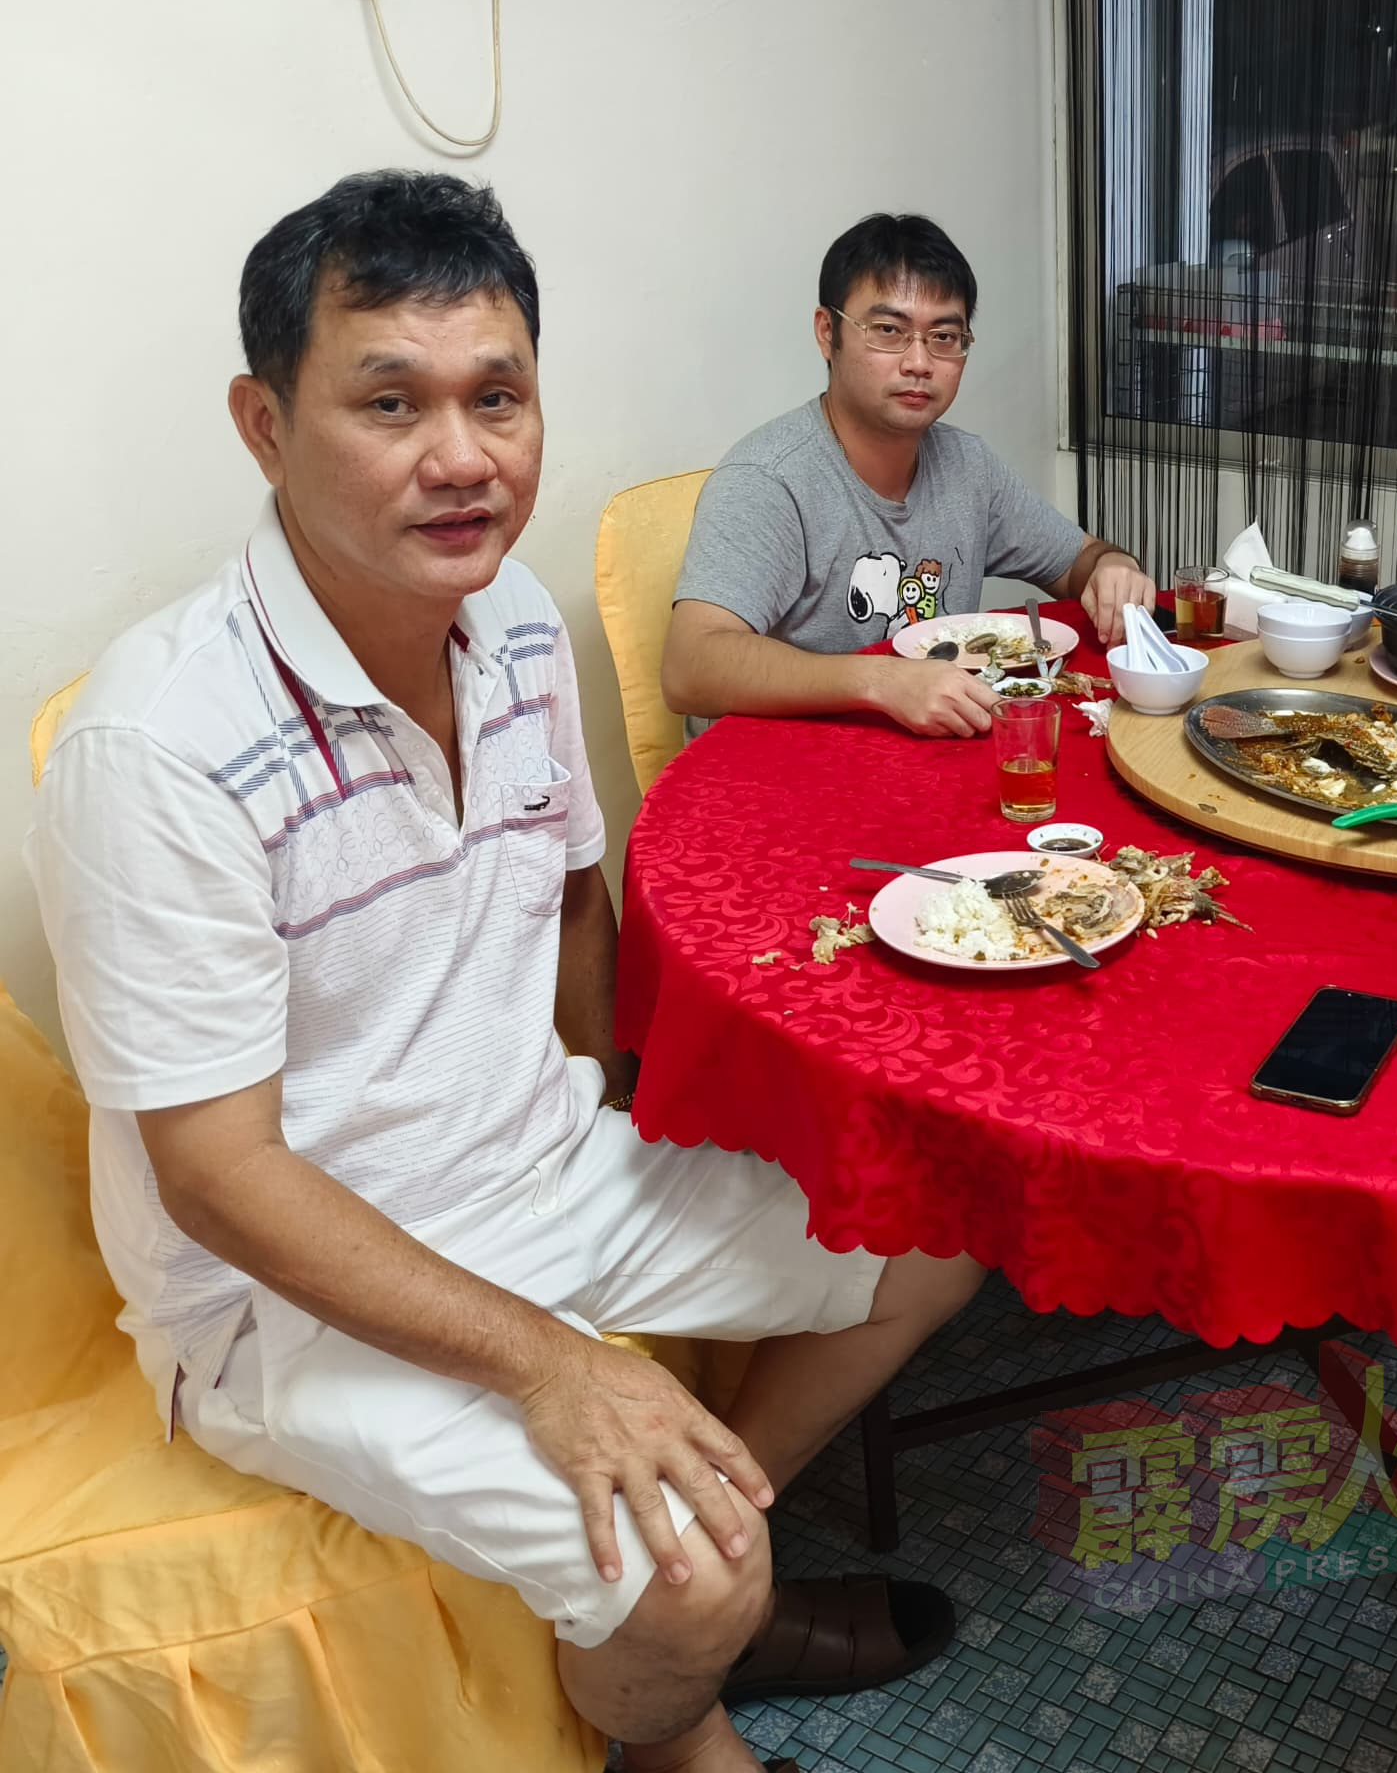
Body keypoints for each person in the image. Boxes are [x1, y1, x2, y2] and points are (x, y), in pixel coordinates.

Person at [29, 171, 985, 1773]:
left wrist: (609, 1097)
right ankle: (680, 1689)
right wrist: (553, 1370)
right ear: (265, 424)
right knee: (687, 1571)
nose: (461, 458)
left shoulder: (518, 625)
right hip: (289, 1299)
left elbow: (571, 898)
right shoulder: (158, 746)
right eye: (388, 402)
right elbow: (215, 1176)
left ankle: (694, 1608)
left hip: (540, 1163)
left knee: (941, 1227)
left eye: (498, 396)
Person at [663, 213, 1155, 738]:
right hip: (780, 775)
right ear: (828, 334)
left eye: (944, 336)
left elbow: (1078, 559)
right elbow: (691, 667)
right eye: (889, 331)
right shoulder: (769, 479)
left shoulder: (967, 466)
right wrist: (882, 681)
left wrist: (1114, 567)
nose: (919, 362)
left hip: (922, 759)